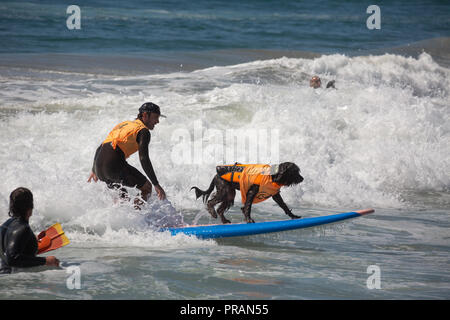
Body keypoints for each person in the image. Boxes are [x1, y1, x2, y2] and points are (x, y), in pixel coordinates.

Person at [88, 102, 167, 205]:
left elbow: (101, 146)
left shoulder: (124, 125)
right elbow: (144, 158)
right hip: (113, 165)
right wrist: (156, 184)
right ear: (145, 115)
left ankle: (120, 219)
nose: (157, 121)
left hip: (99, 168)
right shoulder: (143, 131)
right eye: (155, 117)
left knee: (123, 198)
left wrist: (94, 169)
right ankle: (137, 217)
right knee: (147, 188)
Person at [0, 187, 59, 274]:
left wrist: (29, 240)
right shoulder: (23, 228)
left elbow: (9, 250)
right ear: (30, 208)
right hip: (15, 280)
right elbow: (12, 259)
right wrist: (45, 260)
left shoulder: (4, 225)